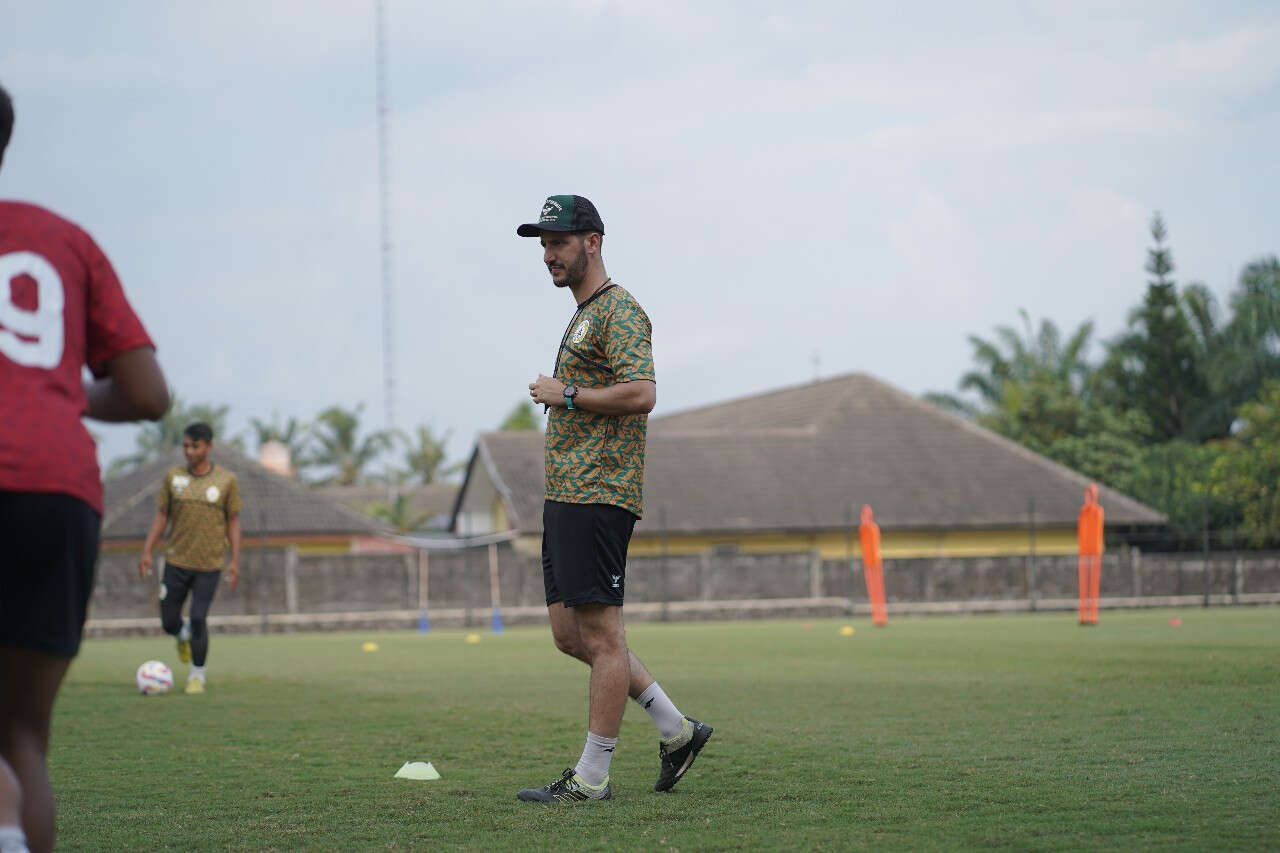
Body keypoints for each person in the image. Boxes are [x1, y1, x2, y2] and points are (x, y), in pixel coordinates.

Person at [0, 82, 170, 853]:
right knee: (22, 738)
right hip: (57, 486)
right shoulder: (61, 238)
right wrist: (57, 394)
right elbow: (147, 391)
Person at [516, 195, 713, 803]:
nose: (548, 254)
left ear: (592, 243)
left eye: (558, 242)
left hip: (599, 491)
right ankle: (676, 730)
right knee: (568, 635)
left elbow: (643, 392)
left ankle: (592, 778)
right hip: (566, 493)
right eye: (543, 244)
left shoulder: (619, 309)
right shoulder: (582, 314)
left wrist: (565, 393)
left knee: (602, 638)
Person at [138, 423, 242, 694]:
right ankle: (181, 636)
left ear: (208, 447)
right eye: (185, 446)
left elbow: (233, 521)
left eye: (194, 446)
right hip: (176, 562)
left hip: (209, 564)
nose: (189, 451)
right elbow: (162, 515)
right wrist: (148, 550)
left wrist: (234, 560)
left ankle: (198, 675)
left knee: (198, 618)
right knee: (169, 622)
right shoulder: (173, 478)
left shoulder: (226, 480)